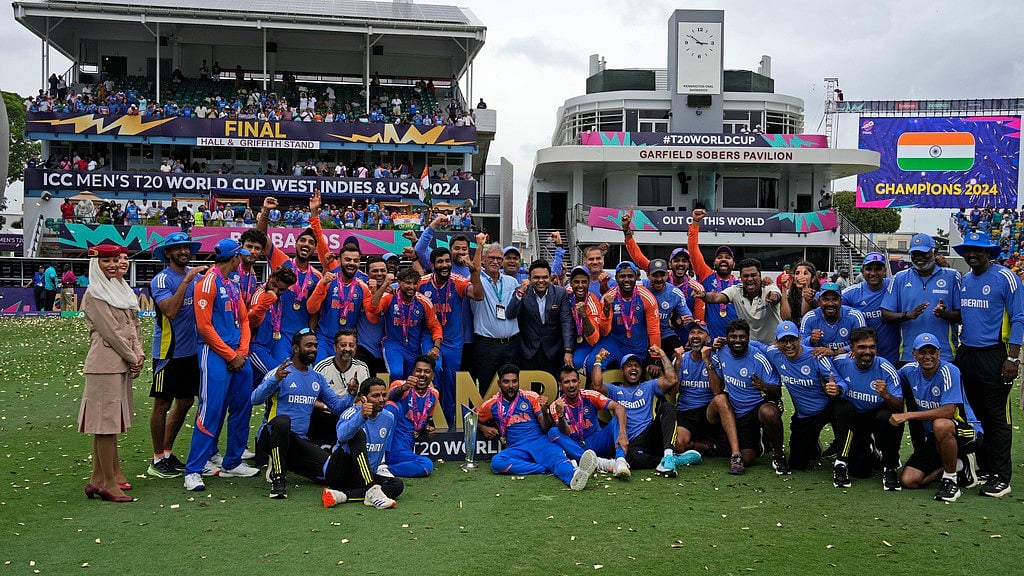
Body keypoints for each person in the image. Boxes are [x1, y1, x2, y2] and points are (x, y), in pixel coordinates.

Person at [950, 232, 1024, 497]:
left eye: (978, 251)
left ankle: (1002, 477)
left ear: (989, 253)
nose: (972, 255)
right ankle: (984, 469)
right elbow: (964, 314)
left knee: (998, 418)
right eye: (969, 250)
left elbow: (1019, 318)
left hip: (995, 355)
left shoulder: (1006, 277)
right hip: (967, 354)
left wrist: (1012, 358)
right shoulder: (965, 280)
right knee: (974, 415)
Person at [184, 239, 258, 491]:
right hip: (214, 354)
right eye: (241, 257)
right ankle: (194, 469)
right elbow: (204, 328)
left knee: (242, 406)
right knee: (211, 409)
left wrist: (243, 351)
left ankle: (233, 461)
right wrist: (230, 354)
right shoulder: (206, 283)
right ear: (235, 259)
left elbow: (245, 319)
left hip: (238, 354)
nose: (243, 261)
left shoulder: (232, 283)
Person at [79, 244, 144, 503]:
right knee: (105, 426)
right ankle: (106, 482)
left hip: (119, 364)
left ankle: (98, 479)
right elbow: (110, 333)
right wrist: (133, 358)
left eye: (116, 259)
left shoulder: (118, 290)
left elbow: (132, 326)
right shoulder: (95, 294)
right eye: (106, 261)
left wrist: (137, 354)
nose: (113, 264)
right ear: (96, 263)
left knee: (109, 425)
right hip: (105, 365)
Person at [251, 330, 350, 499]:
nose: (313, 349)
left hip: (298, 442)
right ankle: (278, 479)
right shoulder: (280, 372)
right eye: (308, 345)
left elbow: (338, 408)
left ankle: (286, 462)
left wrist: (351, 394)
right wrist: (273, 380)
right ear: (296, 348)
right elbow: (255, 399)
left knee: (330, 474)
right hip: (270, 436)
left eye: (316, 346)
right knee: (282, 421)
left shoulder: (317, 378)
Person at [477, 364, 598, 490]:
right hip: (517, 448)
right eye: (506, 382)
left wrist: (545, 411)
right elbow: (472, 417)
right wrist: (482, 427)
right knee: (497, 462)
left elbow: (545, 427)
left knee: (556, 458)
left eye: (514, 381)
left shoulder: (531, 397)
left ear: (518, 381)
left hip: (539, 442)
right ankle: (546, 468)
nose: (511, 386)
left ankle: (574, 477)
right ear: (499, 383)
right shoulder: (491, 405)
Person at [894, 333, 984, 502]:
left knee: (941, 424)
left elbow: (948, 412)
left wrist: (908, 415)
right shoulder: (908, 371)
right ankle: (958, 464)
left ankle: (950, 482)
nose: (927, 356)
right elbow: (890, 378)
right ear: (914, 354)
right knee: (909, 480)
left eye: (932, 352)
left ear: (939, 353)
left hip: (967, 432)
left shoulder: (949, 371)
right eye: (922, 352)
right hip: (936, 438)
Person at [764, 321, 854, 486]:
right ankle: (813, 444)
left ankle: (842, 462)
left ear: (799, 338)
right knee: (798, 464)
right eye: (784, 341)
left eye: (792, 340)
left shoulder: (816, 356)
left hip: (828, 408)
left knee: (845, 407)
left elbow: (841, 383)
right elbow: (754, 345)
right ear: (777, 342)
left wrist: (837, 389)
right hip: (806, 415)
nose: (789, 345)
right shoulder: (773, 353)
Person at [147, 232, 206, 479]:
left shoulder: (198, 277)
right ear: (168, 253)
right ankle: (157, 458)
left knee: (186, 402)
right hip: (167, 352)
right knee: (162, 404)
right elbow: (170, 311)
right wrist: (186, 281)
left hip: (191, 352)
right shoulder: (161, 280)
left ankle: (168, 453)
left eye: (185, 247)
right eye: (177, 248)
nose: (183, 251)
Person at [706, 319, 788, 473]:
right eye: (733, 336)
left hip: (753, 411)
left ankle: (778, 455)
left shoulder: (758, 358)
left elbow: (777, 392)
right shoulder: (720, 351)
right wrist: (707, 359)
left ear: (748, 337)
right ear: (726, 338)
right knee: (719, 399)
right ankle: (734, 451)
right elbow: (717, 390)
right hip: (734, 409)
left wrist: (764, 386)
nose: (737, 340)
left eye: (742, 337)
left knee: (749, 457)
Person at [590, 347, 687, 476]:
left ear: (641, 370)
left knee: (668, 406)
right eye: (629, 366)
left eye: (637, 366)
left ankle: (668, 456)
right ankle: (673, 460)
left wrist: (662, 354)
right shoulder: (614, 390)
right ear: (622, 371)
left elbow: (672, 380)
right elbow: (596, 386)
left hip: (650, 434)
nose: (634, 368)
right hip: (632, 442)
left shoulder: (649, 385)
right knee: (631, 459)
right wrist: (598, 360)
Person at [830, 327, 905, 490]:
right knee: (861, 472)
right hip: (854, 419)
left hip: (876, 417)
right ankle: (841, 463)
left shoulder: (885, 368)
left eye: (872, 347)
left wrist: (886, 395)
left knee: (890, 417)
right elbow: (822, 365)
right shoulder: (840, 362)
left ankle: (890, 466)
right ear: (852, 347)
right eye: (862, 347)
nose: (868, 351)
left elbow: (900, 406)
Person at [418, 242, 484, 425]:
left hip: (455, 341)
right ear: (432, 265)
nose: (445, 265)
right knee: (435, 370)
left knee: (451, 383)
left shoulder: (458, 281)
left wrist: (474, 273)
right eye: (440, 262)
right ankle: (427, 419)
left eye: (447, 261)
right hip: (430, 337)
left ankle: (446, 423)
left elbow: (478, 295)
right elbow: (404, 291)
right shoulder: (422, 284)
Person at [321, 378, 405, 509]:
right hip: (339, 472)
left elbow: (381, 449)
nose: (381, 399)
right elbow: (341, 437)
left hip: (363, 474)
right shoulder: (351, 413)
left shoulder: (388, 417)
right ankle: (371, 488)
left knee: (397, 485)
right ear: (363, 398)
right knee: (358, 433)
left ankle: (341, 496)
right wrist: (361, 416)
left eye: (384, 395)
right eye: (376, 396)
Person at [675, 321, 745, 474]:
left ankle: (736, 454)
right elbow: (672, 392)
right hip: (686, 411)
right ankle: (710, 447)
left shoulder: (715, 358)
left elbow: (717, 390)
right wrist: (677, 364)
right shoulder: (682, 358)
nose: (695, 336)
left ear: (707, 338)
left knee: (721, 399)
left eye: (700, 333)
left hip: (709, 411)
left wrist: (707, 360)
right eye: (692, 333)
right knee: (679, 445)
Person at [881, 233, 961, 365]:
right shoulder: (899, 278)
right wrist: (907, 315)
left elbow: (962, 316)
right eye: (915, 254)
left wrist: (944, 314)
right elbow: (885, 315)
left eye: (924, 253)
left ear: (934, 252)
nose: (919, 258)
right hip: (909, 355)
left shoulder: (952, 276)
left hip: (944, 355)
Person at [547, 365, 631, 479]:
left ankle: (620, 461)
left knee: (617, 419)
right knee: (553, 432)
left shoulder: (591, 395)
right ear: (560, 385)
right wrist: (561, 415)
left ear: (579, 382)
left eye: (574, 381)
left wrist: (622, 433)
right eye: (567, 382)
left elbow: (619, 407)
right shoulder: (555, 406)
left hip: (596, 441)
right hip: (575, 446)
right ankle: (599, 463)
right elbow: (565, 433)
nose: (571, 385)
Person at [368, 267, 444, 382]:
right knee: (396, 373)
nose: (412, 287)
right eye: (408, 283)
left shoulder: (423, 302)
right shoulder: (389, 298)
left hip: (414, 348)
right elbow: (373, 308)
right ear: (399, 282)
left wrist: (436, 347)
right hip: (393, 345)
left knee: (413, 380)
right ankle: (394, 399)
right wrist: (385, 285)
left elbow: (435, 326)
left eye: (414, 283)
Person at [507, 259, 575, 375]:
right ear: (529, 278)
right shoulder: (522, 291)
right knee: (530, 390)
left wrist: (568, 350)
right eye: (536, 278)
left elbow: (566, 322)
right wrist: (521, 291)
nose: (541, 281)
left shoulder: (560, 293)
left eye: (545, 277)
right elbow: (510, 314)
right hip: (528, 351)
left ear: (550, 277)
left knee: (551, 389)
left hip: (553, 350)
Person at [588, 261, 660, 370]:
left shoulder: (647, 297)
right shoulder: (608, 298)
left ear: (636, 277)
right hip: (613, 343)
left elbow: (654, 330)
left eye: (630, 276)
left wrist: (655, 359)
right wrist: (606, 310)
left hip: (636, 346)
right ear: (616, 278)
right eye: (622, 276)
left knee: (632, 375)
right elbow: (604, 331)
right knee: (592, 364)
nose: (626, 279)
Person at [694, 258, 784, 345]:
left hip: (774, 345)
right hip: (751, 347)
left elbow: (776, 297)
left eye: (753, 275)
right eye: (745, 276)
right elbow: (716, 297)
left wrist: (773, 297)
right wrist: (704, 295)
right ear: (740, 277)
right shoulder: (736, 290)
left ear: (760, 276)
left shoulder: (769, 288)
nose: (749, 279)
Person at [471, 244, 522, 393]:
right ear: (483, 260)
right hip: (487, 345)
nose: (495, 261)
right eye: (491, 258)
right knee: (487, 388)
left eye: (499, 258)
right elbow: (474, 270)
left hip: (511, 344)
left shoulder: (511, 281)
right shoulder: (476, 280)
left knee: (511, 387)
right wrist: (479, 246)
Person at [383, 356, 440, 477]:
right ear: (413, 372)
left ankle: (385, 470)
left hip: (404, 449)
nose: (422, 374)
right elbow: (391, 396)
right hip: (389, 445)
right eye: (418, 370)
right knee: (391, 406)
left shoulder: (434, 395)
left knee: (425, 465)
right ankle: (381, 459)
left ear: (433, 375)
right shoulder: (401, 385)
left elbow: (423, 420)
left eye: (427, 371)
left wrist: (427, 429)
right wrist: (404, 388)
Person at [688, 208, 739, 338]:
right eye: (719, 257)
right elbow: (693, 250)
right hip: (710, 341)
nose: (723, 259)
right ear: (714, 262)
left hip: (736, 341)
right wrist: (695, 223)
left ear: (733, 263)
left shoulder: (740, 284)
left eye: (727, 258)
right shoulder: (706, 275)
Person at [842, 253, 900, 364]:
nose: (873, 273)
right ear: (862, 271)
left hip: (890, 358)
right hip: (862, 357)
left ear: (884, 270)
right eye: (869, 269)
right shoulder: (851, 293)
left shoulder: (894, 287)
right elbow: (828, 304)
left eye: (878, 269)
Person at [641, 258, 693, 354]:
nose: (659, 279)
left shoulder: (675, 293)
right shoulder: (640, 287)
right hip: (641, 333)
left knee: (679, 354)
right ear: (648, 275)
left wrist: (688, 322)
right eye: (655, 276)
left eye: (662, 275)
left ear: (667, 274)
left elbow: (688, 318)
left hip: (664, 333)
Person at [800, 282, 866, 356]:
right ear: (819, 301)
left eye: (834, 299)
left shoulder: (854, 316)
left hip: (845, 358)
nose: (830, 304)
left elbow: (863, 342)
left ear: (841, 301)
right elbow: (801, 345)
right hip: (821, 359)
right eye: (826, 299)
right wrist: (811, 340)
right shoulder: (809, 317)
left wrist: (835, 352)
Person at [565, 266, 607, 371]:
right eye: (576, 282)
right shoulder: (565, 296)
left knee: (577, 363)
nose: (580, 285)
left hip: (584, 342)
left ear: (589, 283)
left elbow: (594, 339)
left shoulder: (592, 301)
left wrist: (584, 316)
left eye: (584, 282)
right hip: (567, 339)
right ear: (571, 283)